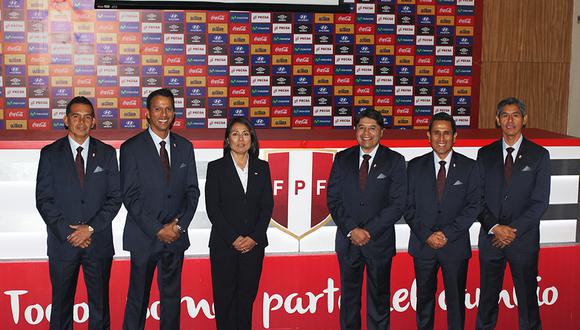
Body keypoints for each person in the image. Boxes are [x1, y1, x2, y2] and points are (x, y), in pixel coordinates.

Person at [36, 96, 122, 329]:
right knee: (61, 308)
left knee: (100, 309)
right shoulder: (50, 154)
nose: (81, 122)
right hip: (63, 244)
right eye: (76, 116)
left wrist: (90, 228)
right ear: (66, 120)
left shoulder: (107, 153)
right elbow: (44, 200)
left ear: (94, 122)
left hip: (98, 242)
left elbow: (115, 198)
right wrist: (69, 232)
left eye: (87, 117)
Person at [121, 88, 200, 329]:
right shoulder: (131, 148)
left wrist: (179, 226)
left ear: (174, 113)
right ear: (148, 114)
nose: (163, 114)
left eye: (168, 109)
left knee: (171, 302)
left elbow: (192, 192)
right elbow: (130, 196)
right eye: (158, 109)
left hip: (175, 238)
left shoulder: (185, 147)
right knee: (137, 301)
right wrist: (158, 229)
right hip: (144, 238)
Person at [327, 109, 407, 329]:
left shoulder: (395, 161)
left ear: (381, 132)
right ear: (355, 130)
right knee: (349, 302)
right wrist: (352, 230)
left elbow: (398, 203)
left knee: (379, 302)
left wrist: (368, 231)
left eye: (372, 128)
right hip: (348, 241)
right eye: (361, 127)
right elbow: (333, 200)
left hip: (378, 242)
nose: (366, 133)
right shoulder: (342, 158)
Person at [475, 97, 550, 330]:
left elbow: (540, 202)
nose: (510, 120)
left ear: (524, 119)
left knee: (528, 302)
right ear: (497, 120)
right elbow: (477, 199)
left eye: (515, 115)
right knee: (487, 300)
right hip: (491, 240)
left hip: (523, 241)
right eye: (505, 115)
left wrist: (511, 231)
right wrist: (496, 228)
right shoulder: (484, 154)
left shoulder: (539, 155)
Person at [405, 112, 480, 330]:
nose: (441, 138)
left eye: (447, 133)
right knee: (424, 304)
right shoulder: (414, 166)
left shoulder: (469, 167)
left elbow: (473, 206)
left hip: (454, 246)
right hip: (423, 246)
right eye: (436, 132)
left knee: (456, 304)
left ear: (455, 137)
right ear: (428, 136)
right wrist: (427, 235)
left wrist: (447, 234)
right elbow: (407, 207)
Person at [205, 117, 274, 329]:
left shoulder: (262, 167)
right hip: (224, 246)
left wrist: (254, 237)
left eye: (245, 134)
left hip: (253, 247)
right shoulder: (216, 167)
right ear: (227, 140)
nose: (240, 139)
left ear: (252, 140)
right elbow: (213, 208)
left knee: (246, 301)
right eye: (235, 134)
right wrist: (234, 238)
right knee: (225, 303)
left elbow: (267, 206)